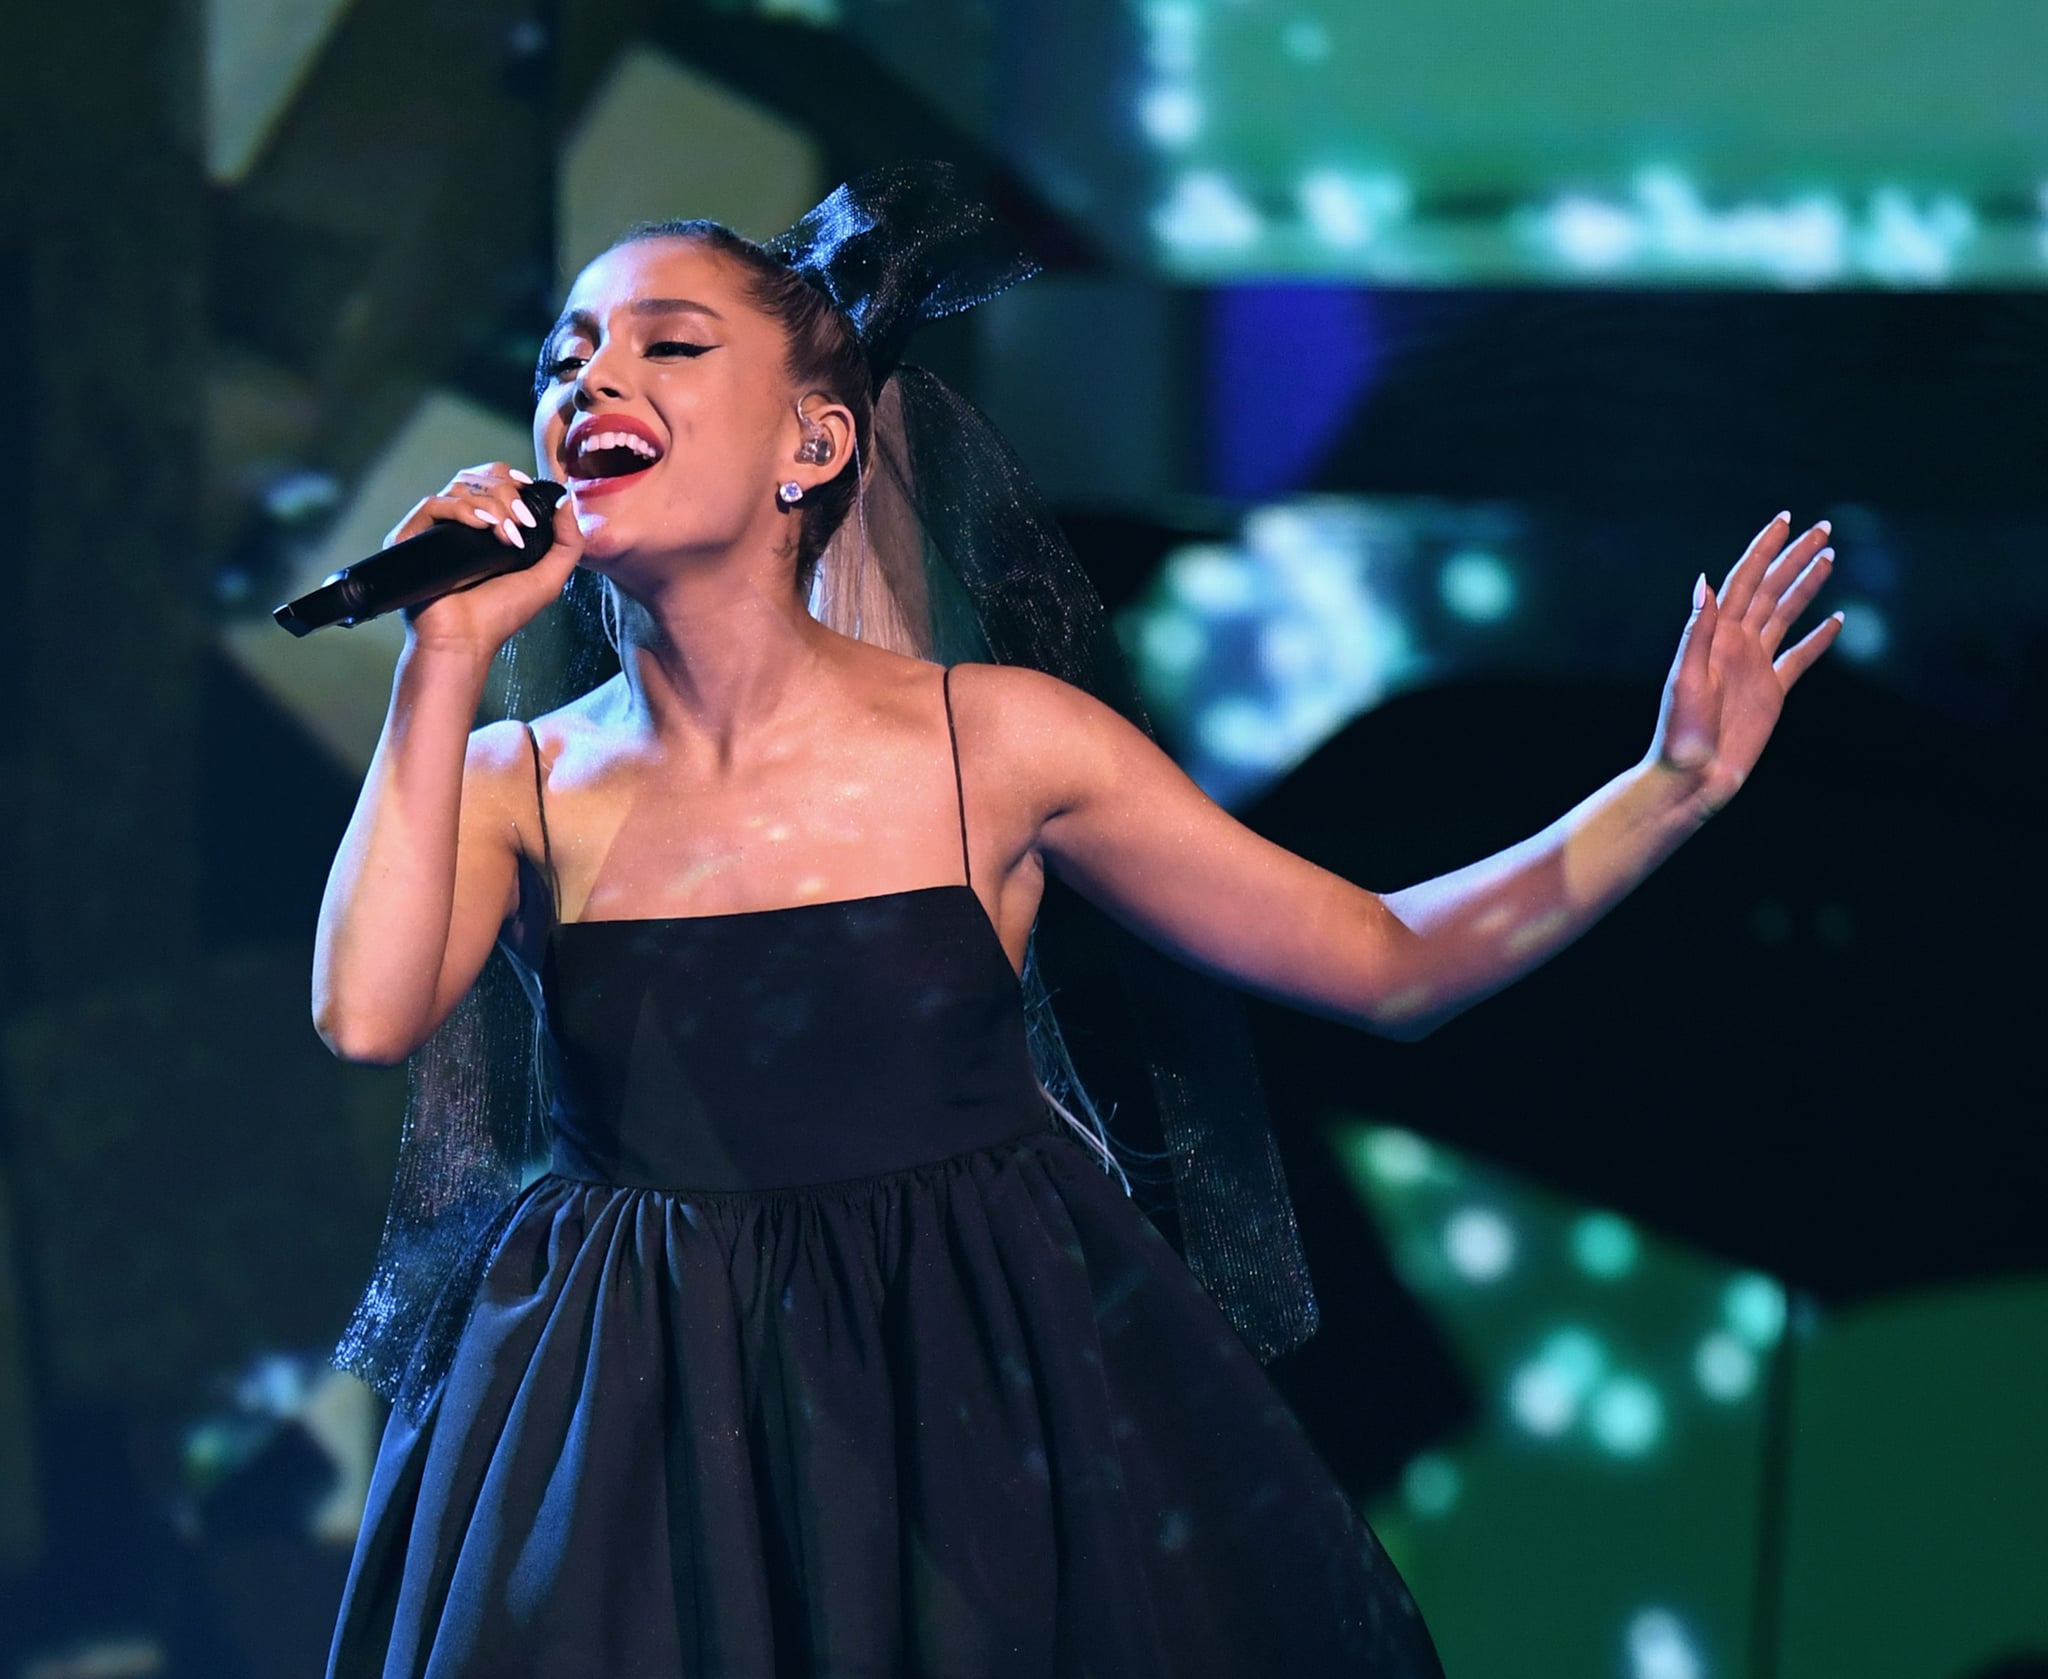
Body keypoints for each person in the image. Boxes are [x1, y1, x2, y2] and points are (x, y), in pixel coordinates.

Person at [313, 169, 1840, 1677]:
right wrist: (439, 658)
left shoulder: (997, 743)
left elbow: (1388, 963)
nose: (594, 381)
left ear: (813, 442)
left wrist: (1674, 788)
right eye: (564, 358)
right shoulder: (516, 778)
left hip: (957, 1379)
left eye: (668, 344)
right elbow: (368, 1015)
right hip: (639, 1406)